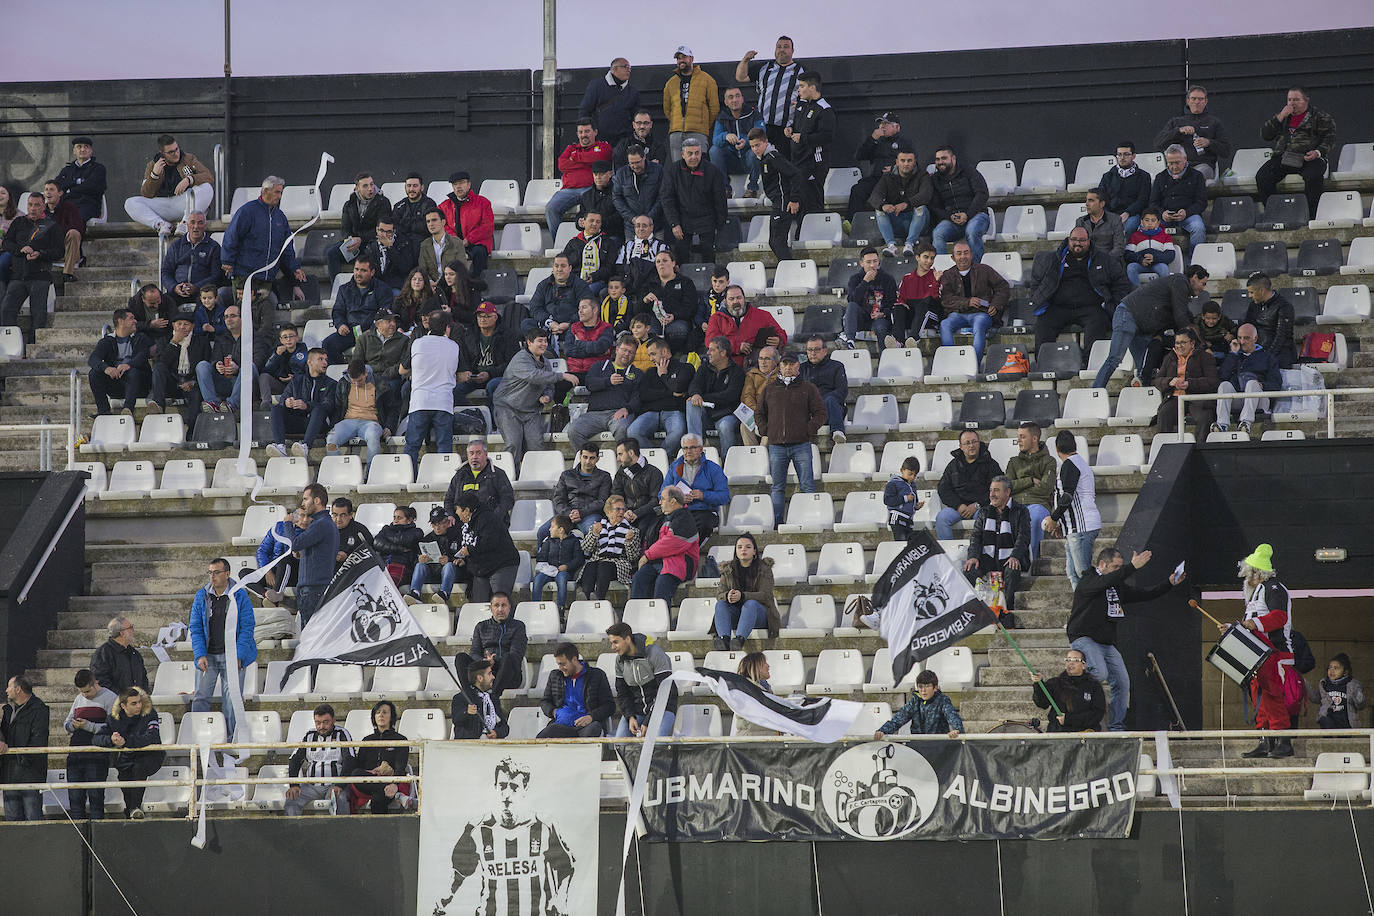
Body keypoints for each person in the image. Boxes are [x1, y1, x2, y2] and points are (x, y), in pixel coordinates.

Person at [432, 758, 575, 916]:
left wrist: (561, 899)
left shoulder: (545, 826)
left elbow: (566, 868)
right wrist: (444, 899)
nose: (507, 793)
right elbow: (459, 871)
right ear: (495, 786)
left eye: (514, 787)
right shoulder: (477, 829)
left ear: (525, 789)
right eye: (502, 786)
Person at [1069, 547, 1184, 731]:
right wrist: (1131, 567)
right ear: (1102, 565)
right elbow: (1104, 582)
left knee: (1122, 683)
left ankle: (1116, 727)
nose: (1119, 571)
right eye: (1115, 567)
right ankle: (1073, 694)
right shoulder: (1088, 579)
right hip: (1084, 637)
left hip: (1106, 642)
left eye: (1120, 567)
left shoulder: (1116, 585)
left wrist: (1168, 583)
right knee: (1099, 673)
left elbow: (1143, 594)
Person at [1226, 543, 1296, 757]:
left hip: (1275, 653)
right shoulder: (1256, 593)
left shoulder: (1274, 588)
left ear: (1257, 573)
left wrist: (1253, 625)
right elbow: (1251, 623)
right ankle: (1265, 741)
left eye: (1248, 575)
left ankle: (1283, 742)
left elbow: (1278, 617)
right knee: (1260, 698)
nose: (1246, 579)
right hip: (1258, 655)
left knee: (1273, 697)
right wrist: (1233, 629)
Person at [1092, 265, 1209, 389]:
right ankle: (1095, 392)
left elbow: (1183, 316)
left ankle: (1142, 396)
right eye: (1203, 283)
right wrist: (1193, 340)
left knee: (1143, 369)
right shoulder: (1180, 281)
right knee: (1115, 358)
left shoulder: (1179, 286)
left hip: (1142, 325)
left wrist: (1201, 341)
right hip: (1129, 315)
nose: (1203, 288)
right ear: (1195, 277)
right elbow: (1181, 317)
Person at [1029, 226, 1128, 360]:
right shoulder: (1054, 259)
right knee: (1043, 324)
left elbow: (1121, 283)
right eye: (1074, 239)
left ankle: (1090, 363)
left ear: (1089, 241)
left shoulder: (1104, 259)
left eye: (1082, 240)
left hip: (1091, 308)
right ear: (1068, 240)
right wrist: (1037, 298)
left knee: (1099, 323)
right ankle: (1043, 363)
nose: (1078, 243)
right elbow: (1037, 281)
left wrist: (1112, 304)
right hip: (1058, 308)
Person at [188, 557, 256, 740]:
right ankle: (196, 736)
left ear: (227, 574)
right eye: (210, 573)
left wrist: (239, 655)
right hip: (208, 655)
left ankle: (231, 739)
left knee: (232, 700)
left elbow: (247, 627)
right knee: (201, 697)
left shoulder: (240, 595)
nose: (212, 577)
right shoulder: (201, 595)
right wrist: (200, 654)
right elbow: (195, 627)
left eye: (216, 572)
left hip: (232, 656)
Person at [493, 328, 580, 466]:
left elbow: (549, 386)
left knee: (537, 446)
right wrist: (562, 375)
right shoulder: (520, 358)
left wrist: (546, 395)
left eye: (545, 341)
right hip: (508, 408)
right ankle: (510, 480)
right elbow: (534, 376)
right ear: (529, 343)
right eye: (540, 341)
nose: (544, 344)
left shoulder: (546, 362)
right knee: (513, 445)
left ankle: (535, 478)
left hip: (531, 410)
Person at [757, 353, 826, 526]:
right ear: (779, 366)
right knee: (777, 488)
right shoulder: (769, 388)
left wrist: (807, 430)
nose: (788, 367)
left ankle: (810, 520)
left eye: (791, 364)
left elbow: (821, 413)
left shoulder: (808, 388)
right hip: (776, 446)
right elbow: (759, 413)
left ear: (798, 366)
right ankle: (777, 523)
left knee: (807, 486)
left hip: (801, 444)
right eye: (784, 364)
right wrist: (767, 431)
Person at [220, 177, 307, 310]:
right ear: (266, 191)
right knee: (244, 312)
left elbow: (287, 247)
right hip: (245, 275)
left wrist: (294, 267)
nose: (280, 196)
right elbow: (232, 236)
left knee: (263, 314)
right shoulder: (247, 211)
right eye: (277, 192)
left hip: (267, 277)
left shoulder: (280, 217)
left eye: (281, 193)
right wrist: (227, 260)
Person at [1256, 87, 1337, 219]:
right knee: (1263, 176)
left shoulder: (1320, 117)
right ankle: (1276, 215)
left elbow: (1330, 138)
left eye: (1296, 100)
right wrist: (1280, 116)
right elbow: (1266, 135)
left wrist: (1318, 152)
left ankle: (1310, 216)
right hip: (1284, 157)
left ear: (1306, 101)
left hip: (1309, 157)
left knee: (1313, 177)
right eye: (1289, 100)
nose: (1292, 103)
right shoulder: (1283, 118)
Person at [402, 309, 463, 469]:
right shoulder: (454, 347)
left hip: (420, 402)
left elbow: (402, 369)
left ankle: (409, 478)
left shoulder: (417, 343)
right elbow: (462, 375)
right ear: (447, 328)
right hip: (443, 403)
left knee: (412, 447)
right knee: (444, 447)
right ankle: (443, 479)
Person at [92, 687, 163, 820]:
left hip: (150, 756)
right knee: (124, 776)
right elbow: (97, 738)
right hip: (126, 758)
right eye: (134, 703)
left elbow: (152, 737)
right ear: (123, 705)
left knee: (138, 768)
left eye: (139, 702)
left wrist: (126, 742)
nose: (139, 706)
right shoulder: (113, 719)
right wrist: (111, 739)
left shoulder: (150, 714)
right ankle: (131, 811)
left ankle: (135, 808)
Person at [961, 475, 1030, 613]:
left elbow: (1023, 537)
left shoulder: (1021, 511)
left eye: (996, 490)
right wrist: (973, 556)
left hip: (1009, 559)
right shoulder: (984, 512)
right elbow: (976, 537)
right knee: (970, 569)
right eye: (991, 490)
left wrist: (1015, 556)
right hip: (987, 560)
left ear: (1007, 492)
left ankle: (1006, 611)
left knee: (1012, 568)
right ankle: (974, 613)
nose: (992, 494)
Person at [1042, 430, 1100, 589]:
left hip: (1081, 527)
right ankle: (1080, 609)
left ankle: (1091, 610)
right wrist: (1062, 523)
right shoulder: (1079, 462)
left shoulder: (1070, 464)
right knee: (1073, 573)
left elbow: (1067, 496)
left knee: (1083, 574)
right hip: (1076, 527)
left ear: (1056, 449)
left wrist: (1053, 518)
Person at [123, 133, 214, 234]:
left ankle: (186, 223)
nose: (176, 153)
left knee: (207, 188)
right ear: (162, 153)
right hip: (163, 205)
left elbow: (208, 176)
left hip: (183, 203)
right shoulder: (153, 165)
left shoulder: (188, 159)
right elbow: (146, 194)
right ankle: (162, 225)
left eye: (177, 149)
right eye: (171, 152)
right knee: (130, 203)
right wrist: (154, 175)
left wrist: (189, 179)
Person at [0, 192, 63, 334]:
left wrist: (40, 254)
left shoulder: (52, 226)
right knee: (7, 309)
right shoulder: (18, 222)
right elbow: (7, 243)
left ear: (43, 207)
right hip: (18, 275)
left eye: (37, 205)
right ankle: (11, 344)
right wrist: (20, 249)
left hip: (40, 276)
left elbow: (59, 252)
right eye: (30, 205)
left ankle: (34, 347)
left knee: (38, 315)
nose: (33, 208)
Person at [939, 239, 1009, 367]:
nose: (963, 256)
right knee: (944, 325)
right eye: (959, 253)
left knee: (979, 325)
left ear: (971, 255)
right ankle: (951, 364)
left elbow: (1003, 287)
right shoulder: (948, 275)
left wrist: (995, 304)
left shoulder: (984, 270)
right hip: (957, 314)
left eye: (966, 253)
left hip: (981, 313)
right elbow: (946, 299)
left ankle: (973, 366)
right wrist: (967, 302)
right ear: (953, 257)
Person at [660, 138, 729, 267]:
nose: (694, 157)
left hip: (707, 218)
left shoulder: (713, 171)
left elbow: (720, 201)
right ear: (682, 155)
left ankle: (710, 279)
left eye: (697, 153)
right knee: (681, 252)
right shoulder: (672, 171)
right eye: (690, 153)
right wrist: (674, 223)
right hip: (682, 218)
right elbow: (667, 199)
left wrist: (719, 225)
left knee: (708, 251)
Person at [629, 488, 700, 606]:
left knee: (662, 585)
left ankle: (661, 621)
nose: (660, 502)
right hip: (661, 561)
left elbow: (671, 542)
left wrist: (647, 555)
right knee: (639, 578)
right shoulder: (663, 517)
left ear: (673, 501)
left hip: (680, 563)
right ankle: (638, 618)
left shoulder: (685, 518)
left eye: (662, 499)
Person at [568, 335, 640, 451]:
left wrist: (627, 408)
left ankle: (621, 463)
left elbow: (638, 397)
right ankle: (589, 460)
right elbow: (589, 384)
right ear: (617, 350)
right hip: (595, 414)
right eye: (624, 350)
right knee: (573, 430)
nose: (627, 354)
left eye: (631, 352)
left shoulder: (637, 373)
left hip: (619, 413)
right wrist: (608, 381)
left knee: (622, 429)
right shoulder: (600, 366)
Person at [608, 620, 678, 737]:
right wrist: (630, 716)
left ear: (628, 639)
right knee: (620, 741)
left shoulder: (654, 653)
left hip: (663, 709)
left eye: (616, 642)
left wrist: (648, 721)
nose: (612, 647)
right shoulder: (619, 661)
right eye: (611, 643)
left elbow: (665, 691)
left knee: (656, 742)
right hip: (637, 712)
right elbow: (623, 693)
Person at [63, 669, 116, 820]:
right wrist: (73, 725)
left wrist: (88, 726)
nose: (85, 695)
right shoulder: (78, 698)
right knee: (75, 799)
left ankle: (96, 838)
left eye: (87, 691)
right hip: (76, 752)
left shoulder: (110, 698)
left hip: (97, 754)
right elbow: (66, 724)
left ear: (95, 683)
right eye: (81, 692)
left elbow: (113, 728)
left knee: (96, 798)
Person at [626, 337, 692, 459]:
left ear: (666, 352)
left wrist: (663, 375)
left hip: (674, 412)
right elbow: (644, 394)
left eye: (653, 354)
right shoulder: (650, 372)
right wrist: (669, 393)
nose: (650, 359)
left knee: (678, 432)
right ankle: (654, 459)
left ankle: (661, 458)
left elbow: (678, 387)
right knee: (632, 432)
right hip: (651, 412)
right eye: (649, 355)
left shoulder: (684, 368)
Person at [735, 36, 803, 152]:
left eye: (786, 47)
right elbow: (740, 77)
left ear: (792, 51)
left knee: (783, 163)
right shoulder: (764, 68)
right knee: (763, 163)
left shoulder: (800, 71)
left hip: (786, 128)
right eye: (779, 47)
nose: (782, 49)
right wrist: (745, 60)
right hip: (763, 127)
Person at [327, 359, 396, 473]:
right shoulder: (343, 383)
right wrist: (333, 426)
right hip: (348, 421)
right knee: (331, 440)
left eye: (360, 380)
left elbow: (392, 407)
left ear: (366, 373)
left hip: (371, 422)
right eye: (354, 381)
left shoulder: (380, 382)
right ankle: (337, 474)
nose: (357, 384)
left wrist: (389, 426)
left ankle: (371, 475)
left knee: (373, 437)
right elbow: (338, 407)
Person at [285, 704, 353, 816]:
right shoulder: (309, 736)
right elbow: (294, 760)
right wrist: (294, 785)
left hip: (334, 784)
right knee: (292, 799)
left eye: (326, 722)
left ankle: (342, 831)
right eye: (318, 722)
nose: (321, 726)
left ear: (334, 720)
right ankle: (293, 832)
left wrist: (340, 785)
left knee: (339, 799)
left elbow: (350, 760)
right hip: (311, 786)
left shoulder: (342, 734)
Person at [324, 255, 394, 365]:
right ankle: (342, 373)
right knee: (328, 344)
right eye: (356, 269)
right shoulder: (344, 289)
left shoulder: (383, 289)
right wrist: (341, 325)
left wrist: (372, 331)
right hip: (350, 332)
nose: (358, 273)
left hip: (373, 333)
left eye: (363, 270)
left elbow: (384, 314)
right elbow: (338, 311)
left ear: (372, 272)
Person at [714, 533, 779, 650]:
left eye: (748, 547)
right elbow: (719, 594)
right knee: (721, 604)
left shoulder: (764, 569)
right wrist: (727, 595)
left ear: (754, 551)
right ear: (736, 551)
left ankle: (739, 640)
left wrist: (743, 596)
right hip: (737, 614)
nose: (743, 549)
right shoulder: (728, 569)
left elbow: (765, 595)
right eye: (739, 547)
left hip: (760, 615)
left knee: (751, 604)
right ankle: (724, 640)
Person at [265, 347, 333, 458]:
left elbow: (328, 405)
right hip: (298, 422)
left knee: (319, 409)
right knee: (276, 408)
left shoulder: (331, 383)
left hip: (319, 424)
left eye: (326, 359)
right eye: (320, 359)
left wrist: (306, 406)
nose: (325, 362)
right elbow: (283, 399)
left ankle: (305, 446)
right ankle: (280, 447)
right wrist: (287, 402)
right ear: (309, 362)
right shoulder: (297, 381)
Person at [1213, 323, 1281, 433]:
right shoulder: (1234, 355)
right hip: (1239, 398)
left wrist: (1262, 385)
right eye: (1240, 338)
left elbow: (1276, 384)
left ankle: (1246, 422)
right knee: (1224, 385)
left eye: (1246, 338)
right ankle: (1222, 424)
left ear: (1255, 338)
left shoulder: (1267, 357)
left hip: (1260, 399)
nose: (1242, 341)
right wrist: (1233, 354)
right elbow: (1222, 376)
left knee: (1252, 383)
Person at [935, 430, 1004, 540]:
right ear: (961, 446)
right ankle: (947, 555)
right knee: (942, 518)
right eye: (967, 443)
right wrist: (958, 505)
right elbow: (943, 489)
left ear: (979, 443)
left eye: (974, 442)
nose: (971, 445)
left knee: (985, 517)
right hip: (958, 507)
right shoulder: (953, 465)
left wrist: (977, 505)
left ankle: (980, 553)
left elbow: (998, 489)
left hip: (982, 507)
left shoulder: (991, 464)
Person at [1153, 85, 1232, 181]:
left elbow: (1226, 151)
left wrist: (1209, 142)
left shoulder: (1214, 122)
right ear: (1187, 101)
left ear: (1206, 101)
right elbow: (1158, 144)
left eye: (1200, 99)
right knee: (1160, 179)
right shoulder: (1176, 122)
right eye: (1193, 98)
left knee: (1194, 176)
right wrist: (1178, 131)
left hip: (1203, 166)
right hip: (1177, 165)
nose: (1197, 102)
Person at [747, 127, 803, 261]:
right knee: (774, 242)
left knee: (778, 242)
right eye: (752, 146)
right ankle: (787, 269)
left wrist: (794, 199)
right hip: (777, 202)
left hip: (783, 202)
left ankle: (790, 270)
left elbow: (796, 174)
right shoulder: (765, 158)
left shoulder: (773, 157)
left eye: (757, 145)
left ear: (765, 142)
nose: (755, 149)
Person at [547, 120, 613, 234]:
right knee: (551, 208)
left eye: (587, 131)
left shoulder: (603, 146)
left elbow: (601, 157)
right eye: (581, 132)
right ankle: (558, 242)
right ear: (577, 134)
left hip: (591, 189)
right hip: (568, 190)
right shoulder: (570, 148)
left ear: (595, 132)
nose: (583, 135)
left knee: (592, 212)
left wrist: (575, 157)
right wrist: (588, 161)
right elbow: (561, 165)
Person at [538, 643, 616, 738]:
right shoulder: (555, 676)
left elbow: (609, 706)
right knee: (542, 737)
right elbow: (545, 701)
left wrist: (591, 717)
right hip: (561, 725)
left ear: (574, 660)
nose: (560, 668)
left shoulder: (597, 675)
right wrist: (554, 712)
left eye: (563, 664)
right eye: (559, 664)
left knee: (592, 730)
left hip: (587, 725)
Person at [662, 433, 730, 541]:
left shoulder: (713, 469)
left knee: (702, 523)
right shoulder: (674, 467)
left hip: (704, 511)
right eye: (685, 448)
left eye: (693, 447)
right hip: (680, 511)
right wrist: (679, 498)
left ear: (700, 449)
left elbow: (725, 496)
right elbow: (662, 493)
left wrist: (703, 495)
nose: (688, 451)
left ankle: (686, 553)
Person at [454, 495, 521, 603]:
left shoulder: (487, 519)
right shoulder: (469, 523)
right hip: (483, 568)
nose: (456, 513)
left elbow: (489, 543)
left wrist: (469, 551)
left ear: (466, 510)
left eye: (457, 509)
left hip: (502, 564)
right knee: (479, 604)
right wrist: (465, 560)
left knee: (500, 601)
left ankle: (508, 620)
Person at [350, 700, 413, 813]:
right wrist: (371, 771)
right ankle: (396, 795)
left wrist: (394, 783)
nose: (381, 715)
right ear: (374, 717)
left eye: (385, 712)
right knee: (356, 773)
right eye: (378, 712)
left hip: (391, 780)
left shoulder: (400, 739)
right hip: (369, 781)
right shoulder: (367, 740)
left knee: (378, 797)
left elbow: (401, 765)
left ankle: (380, 830)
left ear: (391, 716)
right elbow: (360, 765)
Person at [929, 146, 992, 262]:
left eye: (944, 158)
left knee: (972, 232)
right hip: (952, 220)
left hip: (976, 215)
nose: (940, 162)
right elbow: (934, 206)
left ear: (953, 158)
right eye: (937, 159)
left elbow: (982, 193)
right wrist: (950, 216)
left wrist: (967, 214)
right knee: (938, 233)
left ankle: (975, 271)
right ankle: (944, 273)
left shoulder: (969, 171)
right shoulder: (935, 179)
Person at [867, 146, 930, 259]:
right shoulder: (887, 177)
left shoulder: (923, 175)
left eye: (909, 161)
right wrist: (883, 205)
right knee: (879, 210)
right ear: (897, 162)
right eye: (903, 160)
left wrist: (907, 204)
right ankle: (891, 246)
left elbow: (926, 195)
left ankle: (909, 245)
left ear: (914, 162)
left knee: (921, 208)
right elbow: (874, 196)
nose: (906, 164)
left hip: (917, 221)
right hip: (897, 221)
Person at [289, 483, 339, 626]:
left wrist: (288, 524)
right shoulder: (325, 523)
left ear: (317, 501)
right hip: (316, 588)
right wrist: (303, 555)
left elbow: (295, 543)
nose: (303, 503)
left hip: (313, 589)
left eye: (305, 499)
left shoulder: (321, 524)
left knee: (310, 638)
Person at [1, 676, 50, 821]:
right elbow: (3, 733)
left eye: (9, 686)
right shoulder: (7, 710)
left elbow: (38, 740)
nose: (6, 690)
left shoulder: (39, 709)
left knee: (33, 818)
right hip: (8, 773)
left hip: (30, 773)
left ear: (18, 689)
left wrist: (20, 758)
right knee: (12, 820)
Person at [685, 336, 746, 453]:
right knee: (691, 403)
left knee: (725, 427)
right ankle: (695, 447)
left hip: (727, 413)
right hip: (707, 414)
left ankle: (727, 462)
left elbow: (730, 396)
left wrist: (703, 397)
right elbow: (694, 385)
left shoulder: (737, 372)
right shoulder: (704, 367)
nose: (707, 353)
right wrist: (696, 394)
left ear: (723, 353)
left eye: (712, 350)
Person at [785, 71, 833, 216]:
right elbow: (797, 125)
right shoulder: (801, 105)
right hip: (798, 160)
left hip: (814, 162)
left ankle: (817, 234)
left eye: (801, 86)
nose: (798, 90)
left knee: (813, 199)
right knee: (799, 199)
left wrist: (803, 138)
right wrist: (790, 129)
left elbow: (827, 136)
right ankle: (801, 233)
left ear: (812, 88)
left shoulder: (825, 110)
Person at [1004, 423, 1055, 561]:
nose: (1018, 440)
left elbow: (1045, 489)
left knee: (1035, 518)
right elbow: (1007, 487)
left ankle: (1028, 562)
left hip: (1039, 504)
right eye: (1018, 437)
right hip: (1016, 505)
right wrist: (1030, 481)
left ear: (1034, 438)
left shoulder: (1049, 461)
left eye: (1022, 437)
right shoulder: (1013, 462)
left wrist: (1019, 486)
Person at [87, 307, 151, 416]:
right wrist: (106, 368)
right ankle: (104, 411)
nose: (135, 321)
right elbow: (93, 359)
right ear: (121, 321)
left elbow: (142, 356)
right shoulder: (108, 340)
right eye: (131, 318)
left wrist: (129, 365)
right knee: (93, 373)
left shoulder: (141, 338)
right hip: (117, 383)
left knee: (132, 371)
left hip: (139, 383)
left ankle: (128, 409)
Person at [704, 283, 787, 367]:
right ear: (725, 301)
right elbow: (710, 342)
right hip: (726, 366)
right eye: (731, 299)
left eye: (739, 298)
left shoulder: (762, 315)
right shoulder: (716, 318)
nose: (736, 301)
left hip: (756, 366)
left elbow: (781, 333)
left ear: (744, 298)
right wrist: (737, 346)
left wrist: (779, 341)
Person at [1154, 327, 1218, 433]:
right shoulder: (1169, 358)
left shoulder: (1205, 357)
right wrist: (1170, 382)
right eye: (1177, 343)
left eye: (1183, 342)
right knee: (1164, 413)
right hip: (1175, 397)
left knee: (1205, 417)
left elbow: (1213, 381)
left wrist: (1190, 384)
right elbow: (1157, 380)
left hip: (1198, 398)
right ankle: (1165, 446)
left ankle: (1200, 448)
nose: (1179, 346)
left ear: (1192, 343)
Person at [329, 172, 391, 278]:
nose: (370, 189)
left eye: (372, 184)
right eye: (365, 186)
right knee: (332, 253)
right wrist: (350, 239)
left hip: (372, 242)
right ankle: (337, 288)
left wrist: (361, 239)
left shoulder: (383, 202)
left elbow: (381, 229)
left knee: (370, 256)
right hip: (354, 243)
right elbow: (345, 228)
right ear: (357, 188)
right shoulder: (349, 204)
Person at [579, 495, 641, 601]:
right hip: (597, 562)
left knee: (605, 565)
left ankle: (598, 598)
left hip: (618, 564)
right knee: (591, 565)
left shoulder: (632, 531)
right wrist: (594, 533)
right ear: (608, 512)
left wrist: (629, 541)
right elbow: (586, 548)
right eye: (618, 509)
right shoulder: (597, 526)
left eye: (623, 509)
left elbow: (633, 558)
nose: (621, 512)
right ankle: (585, 596)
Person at [852, 112, 911, 223]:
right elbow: (859, 156)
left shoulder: (905, 143)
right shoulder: (876, 142)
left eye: (886, 124)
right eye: (881, 124)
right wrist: (872, 139)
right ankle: (852, 223)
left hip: (896, 180)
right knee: (858, 190)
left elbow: (913, 163)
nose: (882, 126)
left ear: (896, 127)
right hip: (877, 178)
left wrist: (895, 168)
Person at [663, 46, 718, 163]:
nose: (681, 60)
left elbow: (714, 108)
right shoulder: (670, 83)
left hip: (698, 132)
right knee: (678, 169)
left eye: (684, 57)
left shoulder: (707, 80)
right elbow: (667, 109)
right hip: (676, 133)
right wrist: (676, 123)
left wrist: (702, 125)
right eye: (678, 58)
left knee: (699, 168)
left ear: (691, 59)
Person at [547, 445, 613, 540]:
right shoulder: (566, 475)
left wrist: (581, 512)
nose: (588, 461)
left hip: (590, 514)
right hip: (567, 514)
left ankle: (586, 555)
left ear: (598, 459)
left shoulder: (604, 477)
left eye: (592, 458)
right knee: (543, 531)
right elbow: (558, 499)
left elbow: (602, 501)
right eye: (585, 457)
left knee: (590, 530)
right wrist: (569, 513)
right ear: (580, 457)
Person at [1031, 649, 1107, 732]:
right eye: (1068, 660)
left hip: (1085, 734)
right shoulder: (1055, 683)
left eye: (1075, 660)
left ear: (1083, 665)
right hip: (1059, 734)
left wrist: (1069, 719)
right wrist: (1038, 684)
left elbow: (1097, 713)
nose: (1071, 663)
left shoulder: (1094, 686)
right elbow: (1042, 703)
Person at [468, 590, 527, 696]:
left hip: (510, 675)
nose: (500, 609)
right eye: (496, 605)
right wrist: (485, 662)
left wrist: (495, 661)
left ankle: (494, 696)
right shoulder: (481, 627)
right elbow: (473, 653)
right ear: (491, 608)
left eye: (504, 605)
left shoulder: (518, 626)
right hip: (486, 673)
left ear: (509, 607)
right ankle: (469, 696)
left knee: (508, 657)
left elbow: (516, 655)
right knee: (461, 658)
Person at [354, 309, 408, 425]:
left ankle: (389, 425)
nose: (393, 324)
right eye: (389, 321)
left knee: (391, 388)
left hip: (391, 377)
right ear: (378, 324)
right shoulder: (364, 338)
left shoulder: (403, 340)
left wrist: (386, 375)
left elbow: (403, 363)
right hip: (369, 376)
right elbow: (357, 363)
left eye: (394, 321)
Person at [1149, 145, 1208, 251]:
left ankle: (1194, 264)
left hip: (1189, 215)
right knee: (1145, 227)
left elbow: (1202, 202)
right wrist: (1162, 213)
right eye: (1171, 163)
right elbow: (1153, 202)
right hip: (1165, 216)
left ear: (1185, 159)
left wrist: (1186, 212)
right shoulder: (1160, 177)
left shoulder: (1197, 176)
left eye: (1177, 162)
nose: (1174, 166)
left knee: (1198, 228)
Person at [437, 171, 495, 277]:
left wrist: (468, 240)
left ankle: (477, 285)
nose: (458, 187)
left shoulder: (483, 203)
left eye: (462, 183)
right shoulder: (444, 206)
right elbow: (441, 226)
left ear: (469, 185)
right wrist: (456, 241)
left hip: (477, 242)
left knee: (480, 252)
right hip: (454, 243)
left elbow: (487, 227)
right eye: (455, 184)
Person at [161, 209, 222, 310]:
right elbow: (165, 272)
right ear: (187, 225)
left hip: (202, 292)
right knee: (163, 300)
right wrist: (174, 287)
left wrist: (197, 287)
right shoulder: (176, 246)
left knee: (206, 301)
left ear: (205, 226)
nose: (196, 227)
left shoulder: (213, 247)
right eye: (192, 223)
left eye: (200, 223)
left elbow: (216, 275)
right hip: (178, 291)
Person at [841, 246, 900, 349]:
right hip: (862, 318)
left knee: (881, 328)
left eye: (875, 261)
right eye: (868, 262)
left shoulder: (888, 279)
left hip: (880, 317)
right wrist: (865, 282)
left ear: (879, 262)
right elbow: (852, 299)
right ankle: (850, 340)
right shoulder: (855, 278)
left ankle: (884, 359)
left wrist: (883, 313)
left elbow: (893, 302)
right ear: (861, 263)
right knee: (851, 305)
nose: (872, 265)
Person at [443, 439, 515, 523]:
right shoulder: (459, 475)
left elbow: (507, 499)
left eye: (478, 453)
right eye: (471, 453)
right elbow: (448, 499)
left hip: (490, 524)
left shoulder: (497, 474)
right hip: (462, 524)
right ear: (467, 455)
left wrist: (493, 517)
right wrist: (451, 515)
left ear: (486, 454)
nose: (474, 457)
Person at [874, 670, 963, 739]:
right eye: (920, 686)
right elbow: (898, 719)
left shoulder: (943, 701)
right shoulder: (914, 702)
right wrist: (883, 731)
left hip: (939, 747)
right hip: (918, 747)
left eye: (927, 686)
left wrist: (957, 730)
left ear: (935, 687)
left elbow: (952, 717)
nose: (923, 690)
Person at [405, 507, 465, 606]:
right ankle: (415, 593)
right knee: (420, 566)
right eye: (434, 524)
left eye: (440, 524)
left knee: (448, 566)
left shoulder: (457, 536)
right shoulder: (426, 539)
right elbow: (415, 561)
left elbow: (463, 557)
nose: (437, 527)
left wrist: (450, 559)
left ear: (447, 523)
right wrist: (420, 560)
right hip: (432, 572)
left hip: (451, 573)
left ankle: (444, 593)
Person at [710, 86, 764, 197]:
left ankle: (752, 189)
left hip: (749, 159)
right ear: (726, 102)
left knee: (757, 149)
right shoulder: (722, 117)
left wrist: (747, 141)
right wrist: (725, 136)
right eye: (731, 97)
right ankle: (724, 189)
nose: (734, 100)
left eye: (737, 96)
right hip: (732, 160)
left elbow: (761, 134)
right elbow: (715, 140)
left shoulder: (754, 114)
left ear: (742, 99)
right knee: (714, 150)